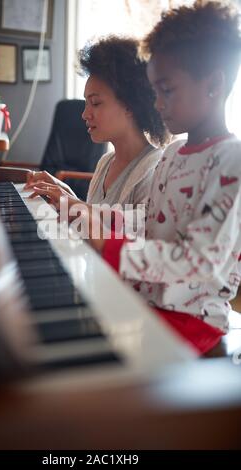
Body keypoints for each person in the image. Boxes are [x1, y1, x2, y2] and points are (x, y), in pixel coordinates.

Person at [87, 0, 241, 355]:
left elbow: (199, 262)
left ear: (214, 85)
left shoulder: (230, 161)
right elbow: (149, 220)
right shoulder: (173, 154)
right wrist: (94, 217)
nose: (156, 104)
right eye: (155, 91)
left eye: (167, 91)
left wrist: (109, 245)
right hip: (151, 303)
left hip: (194, 321)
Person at [26, 36, 168, 211]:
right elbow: (93, 224)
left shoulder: (153, 170)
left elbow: (133, 234)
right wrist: (64, 194)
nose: (85, 114)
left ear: (130, 105)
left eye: (96, 103)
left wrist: (73, 205)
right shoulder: (106, 162)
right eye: (86, 103)